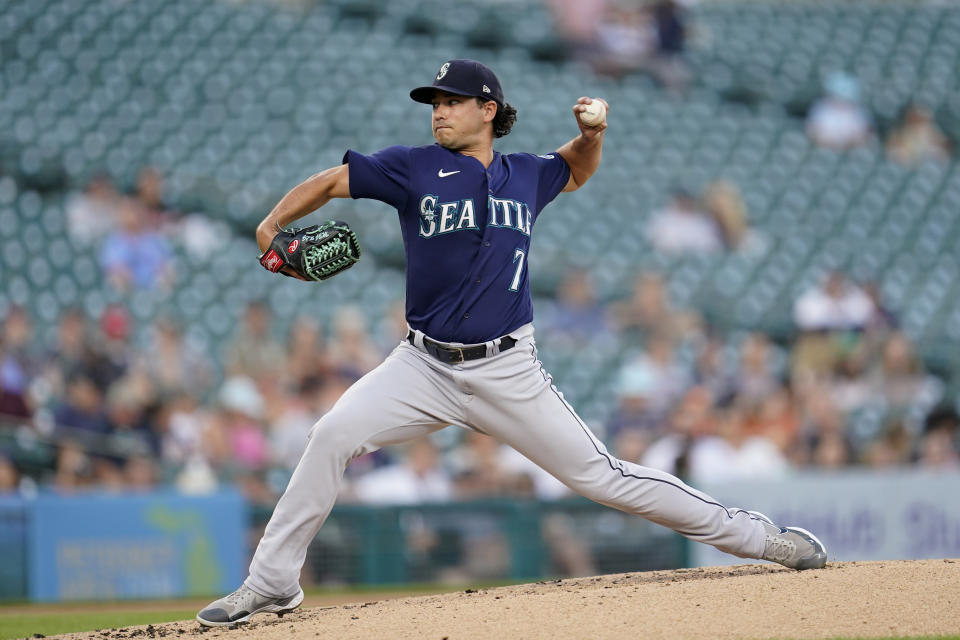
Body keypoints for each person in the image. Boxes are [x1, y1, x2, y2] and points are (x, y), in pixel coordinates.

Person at [196, 58, 827, 627]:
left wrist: (592, 136)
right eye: (433, 101)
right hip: (421, 364)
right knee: (330, 436)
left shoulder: (527, 174)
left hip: (508, 368)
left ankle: (760, 539)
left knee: (604, 478)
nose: (438, 110)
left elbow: (574, 169)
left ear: (488, 110)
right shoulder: (414, 165)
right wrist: (273, 224)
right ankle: (272, 583)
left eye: (450, 100)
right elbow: (335, 181)